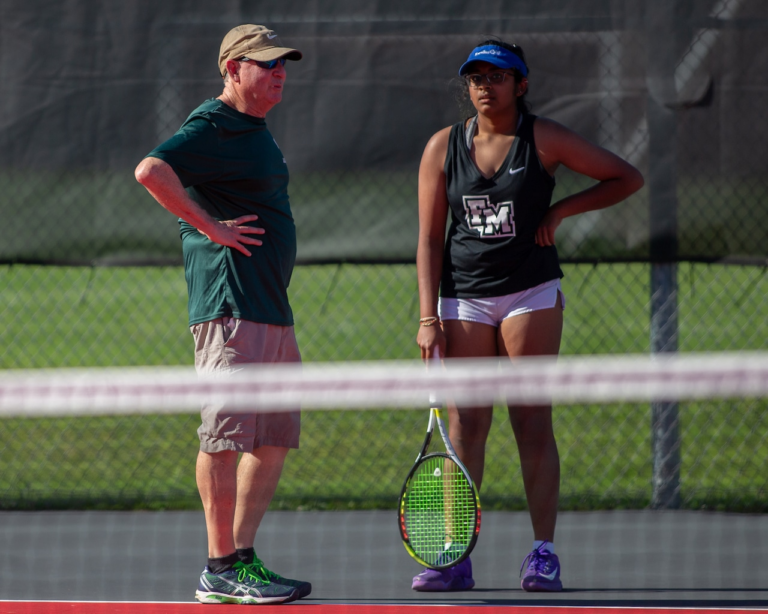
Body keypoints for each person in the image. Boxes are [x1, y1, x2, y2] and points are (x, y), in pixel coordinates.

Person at [413, 39, 644, 593]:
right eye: (476, 77)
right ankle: (453, 553)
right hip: (463, 297)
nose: (485, 86)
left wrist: (562, 208)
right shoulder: (443, 147)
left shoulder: (544, 138)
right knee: (467, 426)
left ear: (521, 84)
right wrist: (427, 317)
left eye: (498, 76)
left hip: (530, 293)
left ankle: (543, 553)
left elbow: (625, 177)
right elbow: (427, 239)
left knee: (531, 419)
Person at [134, 24, 311, 605]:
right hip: (231, 305)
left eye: (283, 63)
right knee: (227, 434)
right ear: (232, 69)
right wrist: (211, 229)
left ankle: (241, 560)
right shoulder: (213, 123)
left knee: (275, 435)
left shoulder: (254, 129)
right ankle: (218, 565)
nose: (279, 71)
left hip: (270, 306)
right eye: (266, 63)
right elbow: (151, 170)